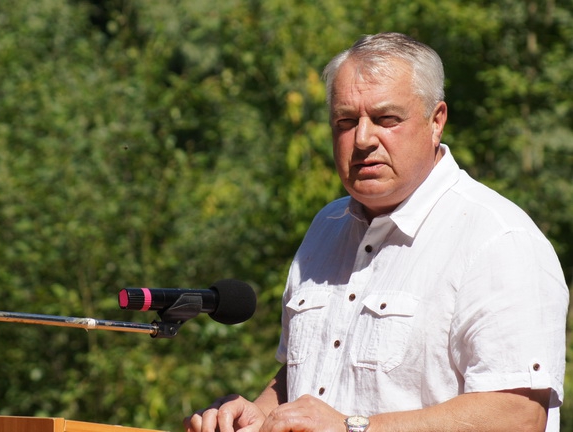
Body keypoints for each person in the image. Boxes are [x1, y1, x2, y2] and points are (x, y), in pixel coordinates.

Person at [184, 32, 569, 432]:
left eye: (387, 119)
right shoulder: (326, 227)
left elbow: (519, 416)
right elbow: (305, 375)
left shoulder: (498, 240)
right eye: (346, 122)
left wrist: (355, 426)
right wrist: (259, 414)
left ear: (436, 121)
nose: (363, 139)